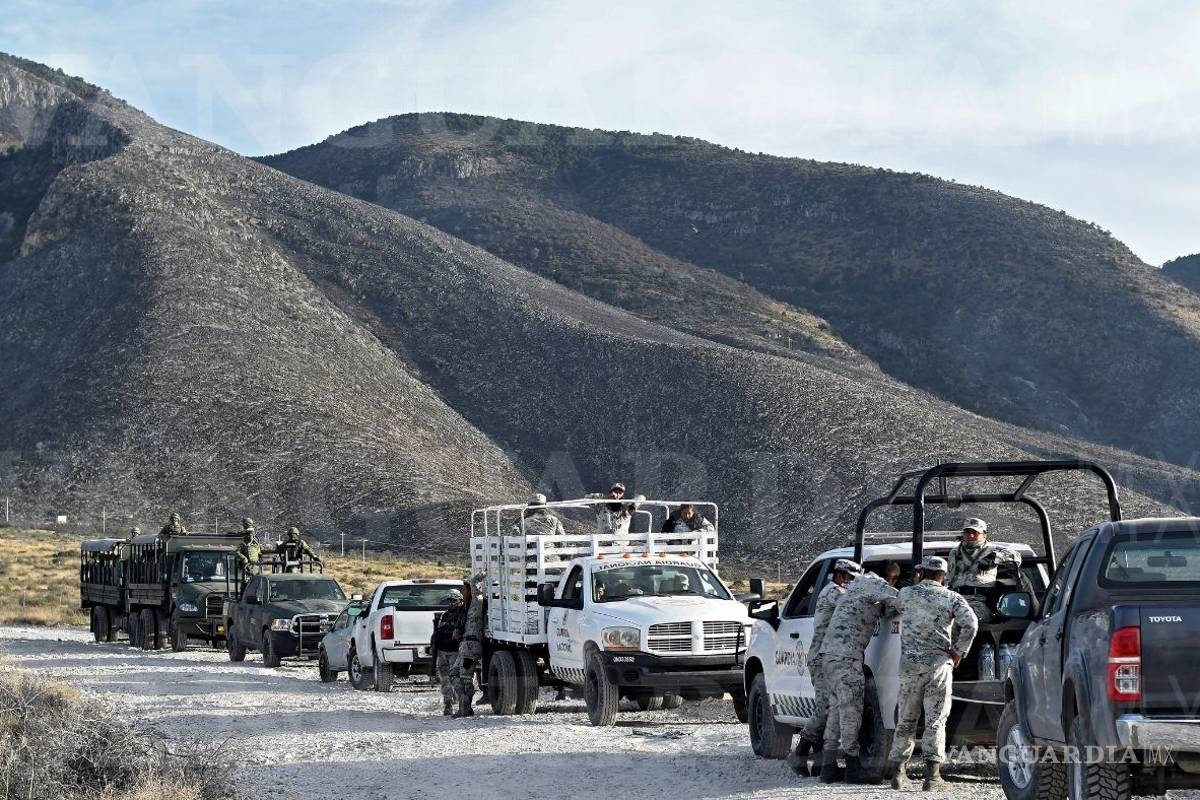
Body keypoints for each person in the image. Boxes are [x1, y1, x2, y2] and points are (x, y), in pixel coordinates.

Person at [886, 556, 979, 791]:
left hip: (909, 666)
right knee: (935, 721)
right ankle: (932, 777)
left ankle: (898, 774)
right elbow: (972, 623)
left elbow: (889, 607)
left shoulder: (906, 594)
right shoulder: (951, 597)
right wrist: (958, 651)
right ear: (943, 576)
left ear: (922, 573)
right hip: (938, 666)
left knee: (906, 720)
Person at [818, 567, 899, 784]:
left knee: (836, 710)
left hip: (830, 657)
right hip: (846, 658)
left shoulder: (855, 587)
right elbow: (900, 601)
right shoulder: (875, 584)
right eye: (893, 580)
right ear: (888, 577)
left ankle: (828, 767)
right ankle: (853, 768)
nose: (892, 583)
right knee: (851, 712)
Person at [788, 559, 861, 778]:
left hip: (827, 656)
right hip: (822, 658)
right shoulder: (834, 592)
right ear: (842, 576)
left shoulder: (834, 590)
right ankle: (799, 752)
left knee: (831, 708)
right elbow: (855, 605)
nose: (852, 584)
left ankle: (820, 763)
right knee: (825, 709)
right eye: (852, 580)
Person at [947, 518, 1022, 622]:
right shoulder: (955, 553)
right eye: (967, 532)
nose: (971, 535)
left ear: (984, 535)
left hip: (980, 601)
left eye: (975, 532)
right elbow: (948, 579)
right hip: (955, 599)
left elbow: (1016, 556)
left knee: (966, 620)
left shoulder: (993, 550)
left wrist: (994, 558)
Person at [454, 574, 486, 718]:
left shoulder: (476, 603)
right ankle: (463, 706)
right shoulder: (466, 608)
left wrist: (481, 574)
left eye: (465, 590)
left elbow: (476, 588)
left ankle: (465, 709)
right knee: (454, 674)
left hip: (471, 645)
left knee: (465, 678)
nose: (463, 593)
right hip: (465, 645)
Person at [433, 589, 467, 715]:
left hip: (456, 652)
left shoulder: (463, 615)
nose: (452, 603)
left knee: (456, 679)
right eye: (450, 600)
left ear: (460, 600)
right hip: (443, 651)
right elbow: (438, 633)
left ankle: (461, 705)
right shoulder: (444, 615)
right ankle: (448, 705)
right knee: (445, 681)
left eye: (454, 600)